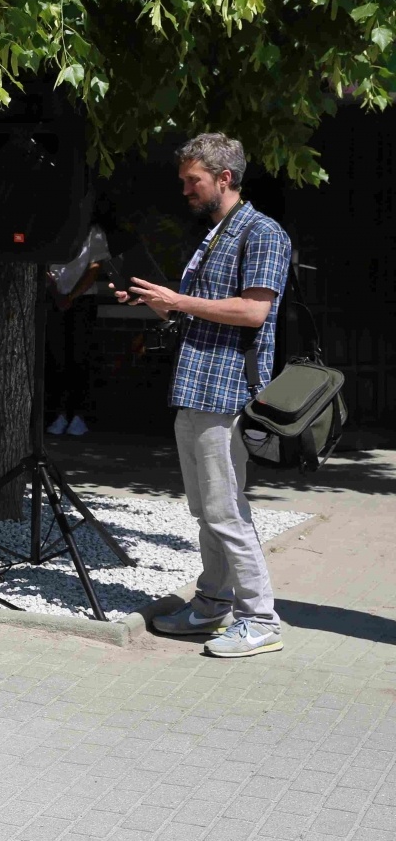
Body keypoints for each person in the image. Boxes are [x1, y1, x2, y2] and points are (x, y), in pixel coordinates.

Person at [117, 133, 290, 659]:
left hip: (227, 390)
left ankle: (260, 618)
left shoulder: (262, 233)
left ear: (224, 178)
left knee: (225, 509)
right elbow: (200, 309)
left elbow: (253, 311)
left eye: (193, 181)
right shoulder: (217, 233)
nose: (185, 190)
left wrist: (180, 299)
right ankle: (213, 604)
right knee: (205, 508)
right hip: (196, 385)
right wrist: (157, 302)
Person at [44, 221, 110, 437]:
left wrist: (71, 297)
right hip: (55, 299)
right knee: (57, 358)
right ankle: (59, 414)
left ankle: (78, 415)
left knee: (80, 357)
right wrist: (57, 295)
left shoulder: (93, 232)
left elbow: (95, 268)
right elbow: (43, 265)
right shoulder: (53, 228)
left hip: (83, 301)